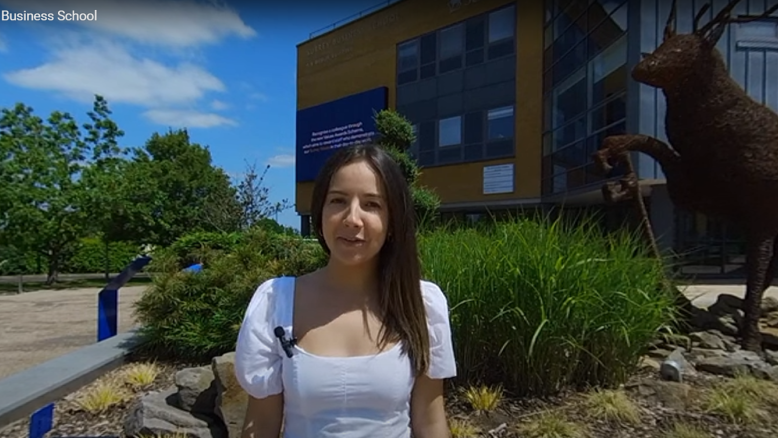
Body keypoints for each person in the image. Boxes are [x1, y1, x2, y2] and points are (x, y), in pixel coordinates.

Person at [234, 143, 457, 438]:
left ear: (392, 222)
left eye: (372, 204)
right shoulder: (276, 302)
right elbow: (260, 425)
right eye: (338, 201)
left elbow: (430, 423)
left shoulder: (422, 305)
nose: (352, 218)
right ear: (320, 211)